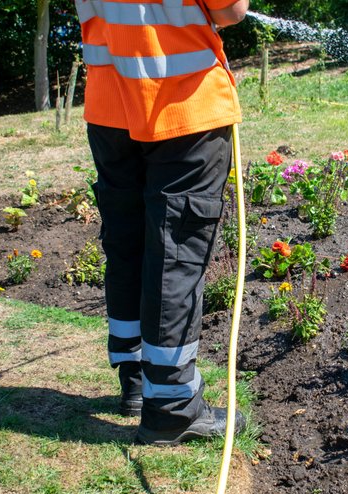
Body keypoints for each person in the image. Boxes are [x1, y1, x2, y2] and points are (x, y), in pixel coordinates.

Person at [75, 0, 250, 445]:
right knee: (176, 255)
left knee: (128, 244)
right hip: (183, 105)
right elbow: (231, 10)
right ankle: (171, 406)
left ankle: (136, 380)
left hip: (110, 104)